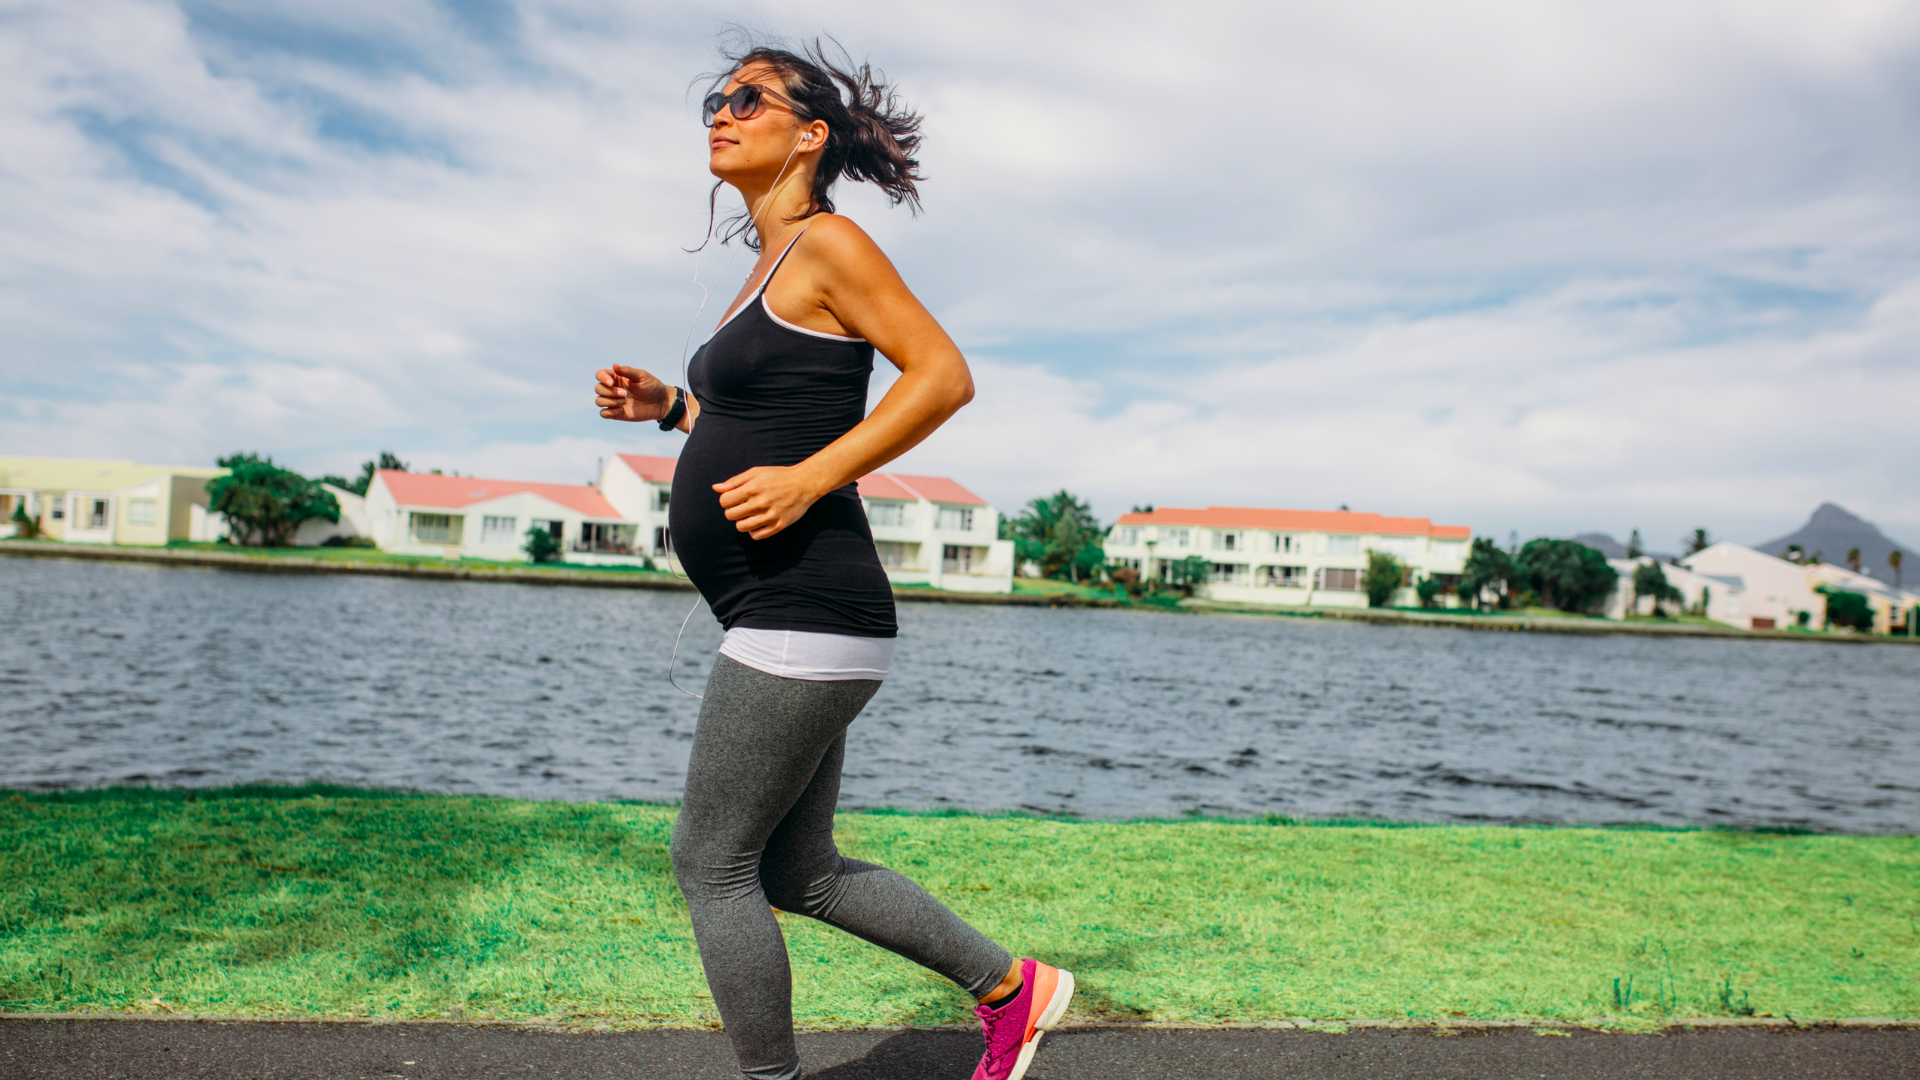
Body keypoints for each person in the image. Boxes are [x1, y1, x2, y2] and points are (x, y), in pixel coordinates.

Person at [593, 42, 1073, 1080]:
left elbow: (941, 376)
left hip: (803, 608)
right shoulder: (764, 267)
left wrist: (812, 480)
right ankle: (1011, 989)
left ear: (809, 134)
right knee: (796, 868)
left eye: (747, 99)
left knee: (708, 862)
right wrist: (671, 409)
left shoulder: (829, 243)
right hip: (795, 614)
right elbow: (754, 420)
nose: (721, 113)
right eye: (717, 100)